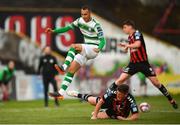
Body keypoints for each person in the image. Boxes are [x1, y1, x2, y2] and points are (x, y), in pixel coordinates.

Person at [106, 20, 178, 109]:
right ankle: (105, 98)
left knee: (156, 83)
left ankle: (171, 100)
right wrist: (126, 48)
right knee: (120, 80)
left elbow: (138, 44)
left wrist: (127, 45)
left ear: (130, 27)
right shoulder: (129, 37)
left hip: (144, 64)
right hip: (133, 64)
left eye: (124, 27)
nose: (123, 29)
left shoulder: (137, 33)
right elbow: (132, 48)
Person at [46, 5, 106, 99]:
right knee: (71, 70)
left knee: (73, 46)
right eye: (82, 14)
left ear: (90, 13)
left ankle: (63, 67)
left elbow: (102, 40)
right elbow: (67, 28)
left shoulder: (96, 24)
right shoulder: (79, 20)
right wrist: (54, 31)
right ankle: (61, 93)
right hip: (86, 50)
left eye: (85, 14)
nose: (83, 16)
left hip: (93, 49)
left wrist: (99, 48)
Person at [67, 84, 139, 120]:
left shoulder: (130, 99)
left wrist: (125, 120)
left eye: (120, 95)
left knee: (96, 114)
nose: (118, 95)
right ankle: (78, 95)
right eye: (117, 93)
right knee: (92, 101)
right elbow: (101, 102)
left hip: (115, 113)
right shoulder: (112, 93)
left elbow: (135, 116)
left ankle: (102, 111)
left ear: (126, 94)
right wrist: (94, 116)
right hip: (109, 103)